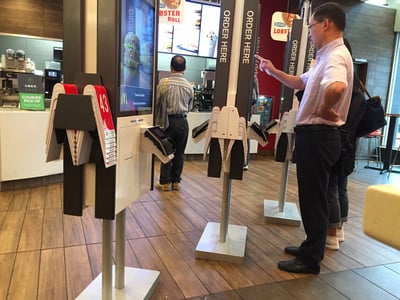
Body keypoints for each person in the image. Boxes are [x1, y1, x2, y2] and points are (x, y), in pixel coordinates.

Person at [255, 2, 353, 274]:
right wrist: (272, 70)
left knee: (313, 199)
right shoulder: (327, 54)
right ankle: (312, 246)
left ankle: (310, 259)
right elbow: (300, 82)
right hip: (318, 137)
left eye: (310, 26)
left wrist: (324, 108)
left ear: (326, 24)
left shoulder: (335, 56)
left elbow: (337, 86)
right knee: (314, 197)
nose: (309, 32)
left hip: (319, 136)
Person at [326, 38, 366, 250]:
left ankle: (331, 234)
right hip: (350, 143)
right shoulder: (357, 86)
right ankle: (339, 229)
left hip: (336, 139)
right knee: (341, 186)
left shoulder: (343, 84)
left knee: (330, 187)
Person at [156, 55, 194, 191]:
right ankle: (176, 182)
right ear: (185, 68)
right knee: (180, 152)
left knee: (166, 151)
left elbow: (156, 101)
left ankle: (165, 182)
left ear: (171, 67)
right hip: (183, 122)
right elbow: (190, 107)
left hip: (167, 122)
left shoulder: (163, 83)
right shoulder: (189, 86)